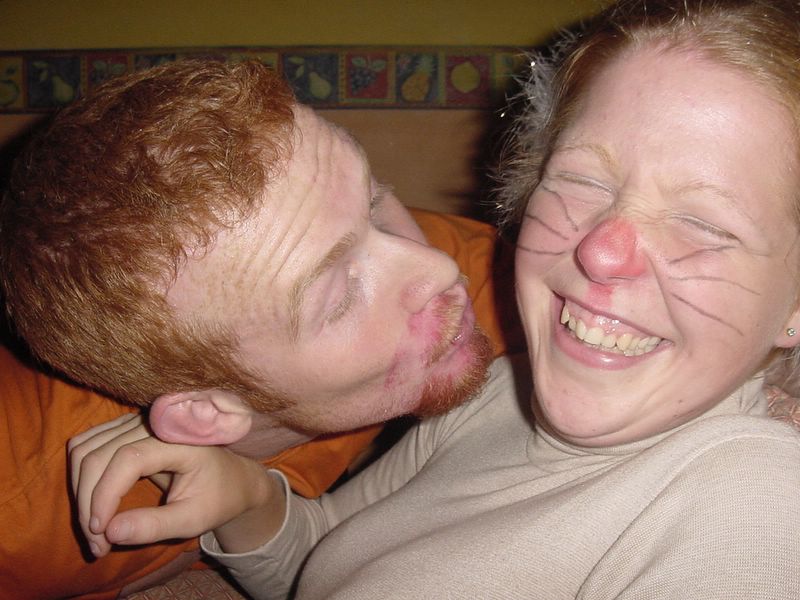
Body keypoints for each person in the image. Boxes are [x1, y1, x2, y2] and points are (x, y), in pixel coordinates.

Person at [70, 0, 800, 597]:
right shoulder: (500, 389)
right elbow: (331, 564)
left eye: (706, 224)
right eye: (581, 182)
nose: (601, 250)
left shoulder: (757, 503)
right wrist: (250, 500)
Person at [0, 59, 520, 599]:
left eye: (374, 203)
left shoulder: (447, 266)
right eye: (341, 296)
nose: (437, 268)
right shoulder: (20, 515)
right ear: (207, 414)